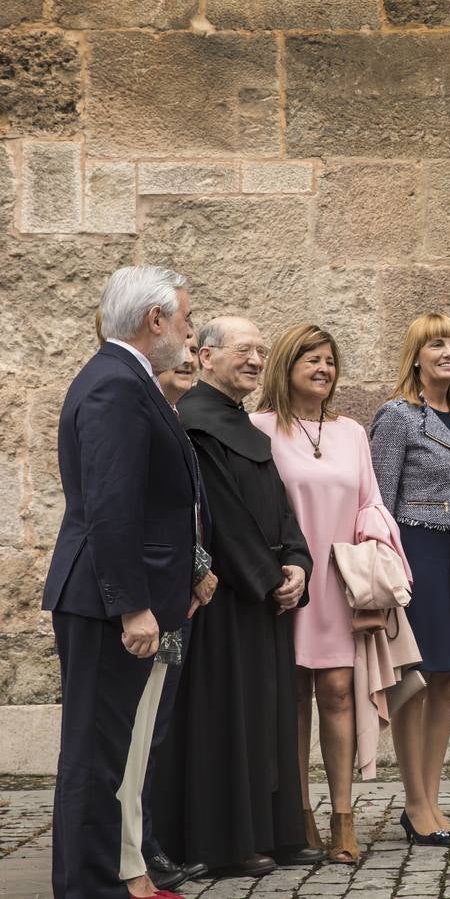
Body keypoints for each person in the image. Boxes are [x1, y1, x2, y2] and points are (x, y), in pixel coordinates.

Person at [46, 266, 197, 899]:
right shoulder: (115, 385)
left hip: (117, 596)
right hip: (107, 602)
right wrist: (132, 606)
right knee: (96, 755)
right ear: (155, 319)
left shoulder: (123, 378)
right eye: (186, 318)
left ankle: (106, 879)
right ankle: (88, 888)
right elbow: (110, 506)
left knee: (111, 752)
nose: (190, 332)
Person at [156, 317, 321, 876]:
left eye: (261, 351)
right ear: (204, 357)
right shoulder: (195, 424)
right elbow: (220, 519)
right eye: (244, 350)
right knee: (230, 719)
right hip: (225, 601)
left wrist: (298, 562)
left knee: (269, 718)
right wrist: (270, 578)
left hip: (265, 595)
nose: (256, 359)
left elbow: (280, 509)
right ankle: (230, 839)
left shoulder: (244, 426)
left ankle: (277, 832)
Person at [254, 324, 422, 865]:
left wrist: (375, 556)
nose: (324, 369)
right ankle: (297, 816)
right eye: (312, 360)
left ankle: (343, 816)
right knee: (289, 700)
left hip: (338, 581)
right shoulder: (258, 428)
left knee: (338, 693)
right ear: (287, 364)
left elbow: (370, 501)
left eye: (330, 361)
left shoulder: (351, 431)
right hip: (286, 583)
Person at [370, 313, 450, 847]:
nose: (448, 351)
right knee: (414, 682)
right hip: (415, 551)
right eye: (436, 344)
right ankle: (414, 803)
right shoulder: (397, 416)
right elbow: (378, 499)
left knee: (447, 678)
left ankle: (435, 799)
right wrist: (391, 570)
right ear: (416, 355)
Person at [141, 332, 213, 895]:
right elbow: (147, 513)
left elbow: (189, 512)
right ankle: (141, 850)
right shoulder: (154, 421)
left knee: (159, 727)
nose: (189, 359)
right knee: (143, 734)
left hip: (178, 601)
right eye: (182, 354)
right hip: (151, 601)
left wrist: (200, 564)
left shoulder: (176, 423)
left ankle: (149, 843)